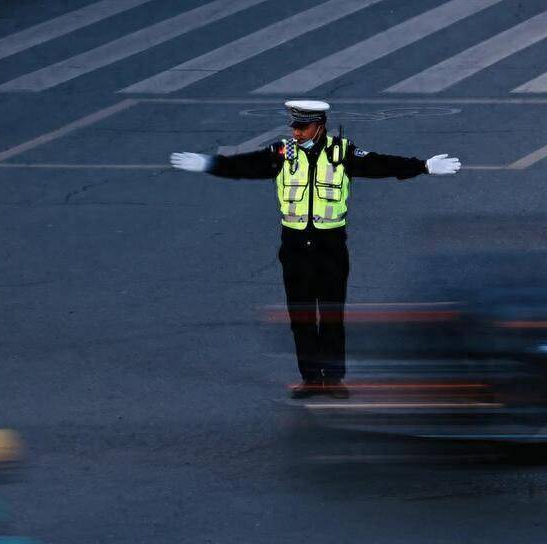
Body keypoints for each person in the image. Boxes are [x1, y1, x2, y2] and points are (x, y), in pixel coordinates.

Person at [171, 101, 461, 399]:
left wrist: (423, 166)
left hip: (330, 247)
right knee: (301, 316)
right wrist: (209, 164)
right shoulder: (283, 154)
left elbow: (381, 164)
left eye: (302, 126)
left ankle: (333, 379)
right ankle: (310, 378)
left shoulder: (342, 153)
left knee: (332, 316)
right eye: (294, 126)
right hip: (295, 248)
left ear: (319, 125)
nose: (295, 132)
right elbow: (244, 166)